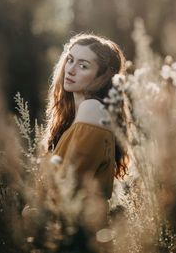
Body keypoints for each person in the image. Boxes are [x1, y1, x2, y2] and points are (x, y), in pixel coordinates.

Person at [44, 33, 129, 201]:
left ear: (102, 77)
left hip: (76, 224)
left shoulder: (92, 109)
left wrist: (34, 212)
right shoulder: (78, 115)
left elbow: (69, 185)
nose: (70, 69)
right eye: (70, 60)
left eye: (83, 66)